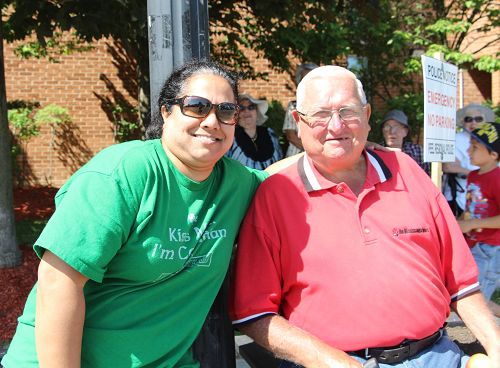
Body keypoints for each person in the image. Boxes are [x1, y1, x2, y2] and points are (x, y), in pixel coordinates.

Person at [1, 60, 268, 368]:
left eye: (226, 111)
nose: (212, 121)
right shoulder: (123, 174)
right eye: (196, 106)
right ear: (166, 112)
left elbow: (290, 176)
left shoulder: (235, 183)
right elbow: (58, 280)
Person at [230, 65, 500, 368]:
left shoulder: (407, 171)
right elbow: (254, 314)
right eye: (320, 114)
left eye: (348, 112)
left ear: (367, 115)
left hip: (436, 356)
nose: (336, 126)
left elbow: (462, 284)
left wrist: (495, 345)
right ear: (298, 121)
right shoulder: (275, 195)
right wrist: (334, 362)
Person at [457, 122, 500, 313]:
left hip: (491, 250)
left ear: (493, 154)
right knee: (475, 298)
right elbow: (472, 206)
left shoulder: (497, 178)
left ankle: (485, 342)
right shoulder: (473, 175)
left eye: (475, 147)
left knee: (477, 301)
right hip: (474, 245)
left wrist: (473, 223)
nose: (468, 150)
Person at [443, 103, 496, 217]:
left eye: (478, 119)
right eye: (469, 119)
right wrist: (478, 175)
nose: (473, 123)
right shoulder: (456, 139)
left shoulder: (492, 139)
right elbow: (448, 166)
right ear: (463, 122)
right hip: (460, 195)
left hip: (487, 192)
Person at [225, 93, 282, 169]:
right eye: (241, 108)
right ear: (236, 114)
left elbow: (280, 161)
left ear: (257, 112)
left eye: (251, 107)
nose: (246, 111)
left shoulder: (270, 134)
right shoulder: (230, 137)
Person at [283, 63, 318, 157]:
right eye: (305, 79)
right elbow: (291, 136)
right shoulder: (293, 106)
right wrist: (314, 151)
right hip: (295, 156)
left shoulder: (325, 106)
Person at [381, 109, 430, 175]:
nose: (391, 132)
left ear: (405, 132)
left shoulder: (416, 151)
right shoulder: (375, 152)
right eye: (387, 127)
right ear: (383, 131)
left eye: (396, 127)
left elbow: (426, 177)